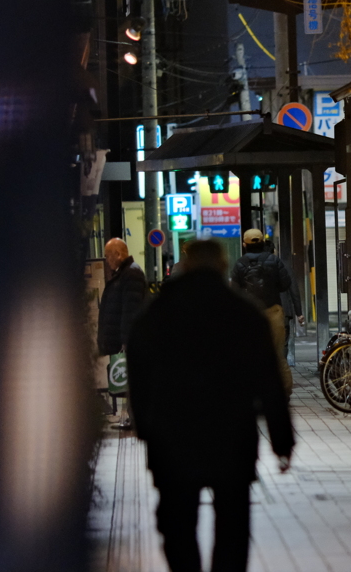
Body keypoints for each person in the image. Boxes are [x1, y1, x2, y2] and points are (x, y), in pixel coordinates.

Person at [127, 239, 294, 572]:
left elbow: (138, 373)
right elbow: (269, 383)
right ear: (222, 267)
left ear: (186, 266)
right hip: (231, 435)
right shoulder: (245, 314)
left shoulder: (157, 313)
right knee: (232, 522)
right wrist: (282, 442)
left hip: (172, 436)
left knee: (177, 520)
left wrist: (144, 426)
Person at [230, 228, 297, 397]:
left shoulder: (239, 264)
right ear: (262, 243)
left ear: (244, 245)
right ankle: (284, 392)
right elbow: (285, 285)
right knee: (278, 356)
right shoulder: (274, 261)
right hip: (273, 312)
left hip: (248, 316)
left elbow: (234, 292)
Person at [98, 237, 147, 428]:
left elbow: (130, 310)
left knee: (130, 381)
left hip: (128, 339)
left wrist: (127, 340)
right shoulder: (126, 273)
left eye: (108, 256)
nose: (107, 261)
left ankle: (133, 419)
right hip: (123, 338)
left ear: (118, 254)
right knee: (128, 381)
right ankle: (130, 418)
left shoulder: (131, 274)